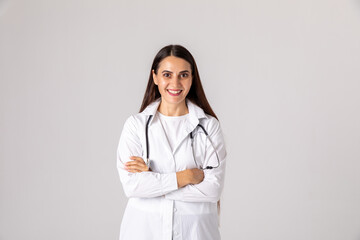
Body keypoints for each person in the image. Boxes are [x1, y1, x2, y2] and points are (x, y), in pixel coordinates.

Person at [116, 44, 227, 240]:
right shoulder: (136, 126)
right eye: (167, 74)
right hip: (143, 232)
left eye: (183, 75)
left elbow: (212, 189)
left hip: (196, 233)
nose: (175, 83)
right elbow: (132, 186)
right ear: (155, 77)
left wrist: (153, 182)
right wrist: (185, 177)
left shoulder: (208, 127)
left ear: (192, 78)